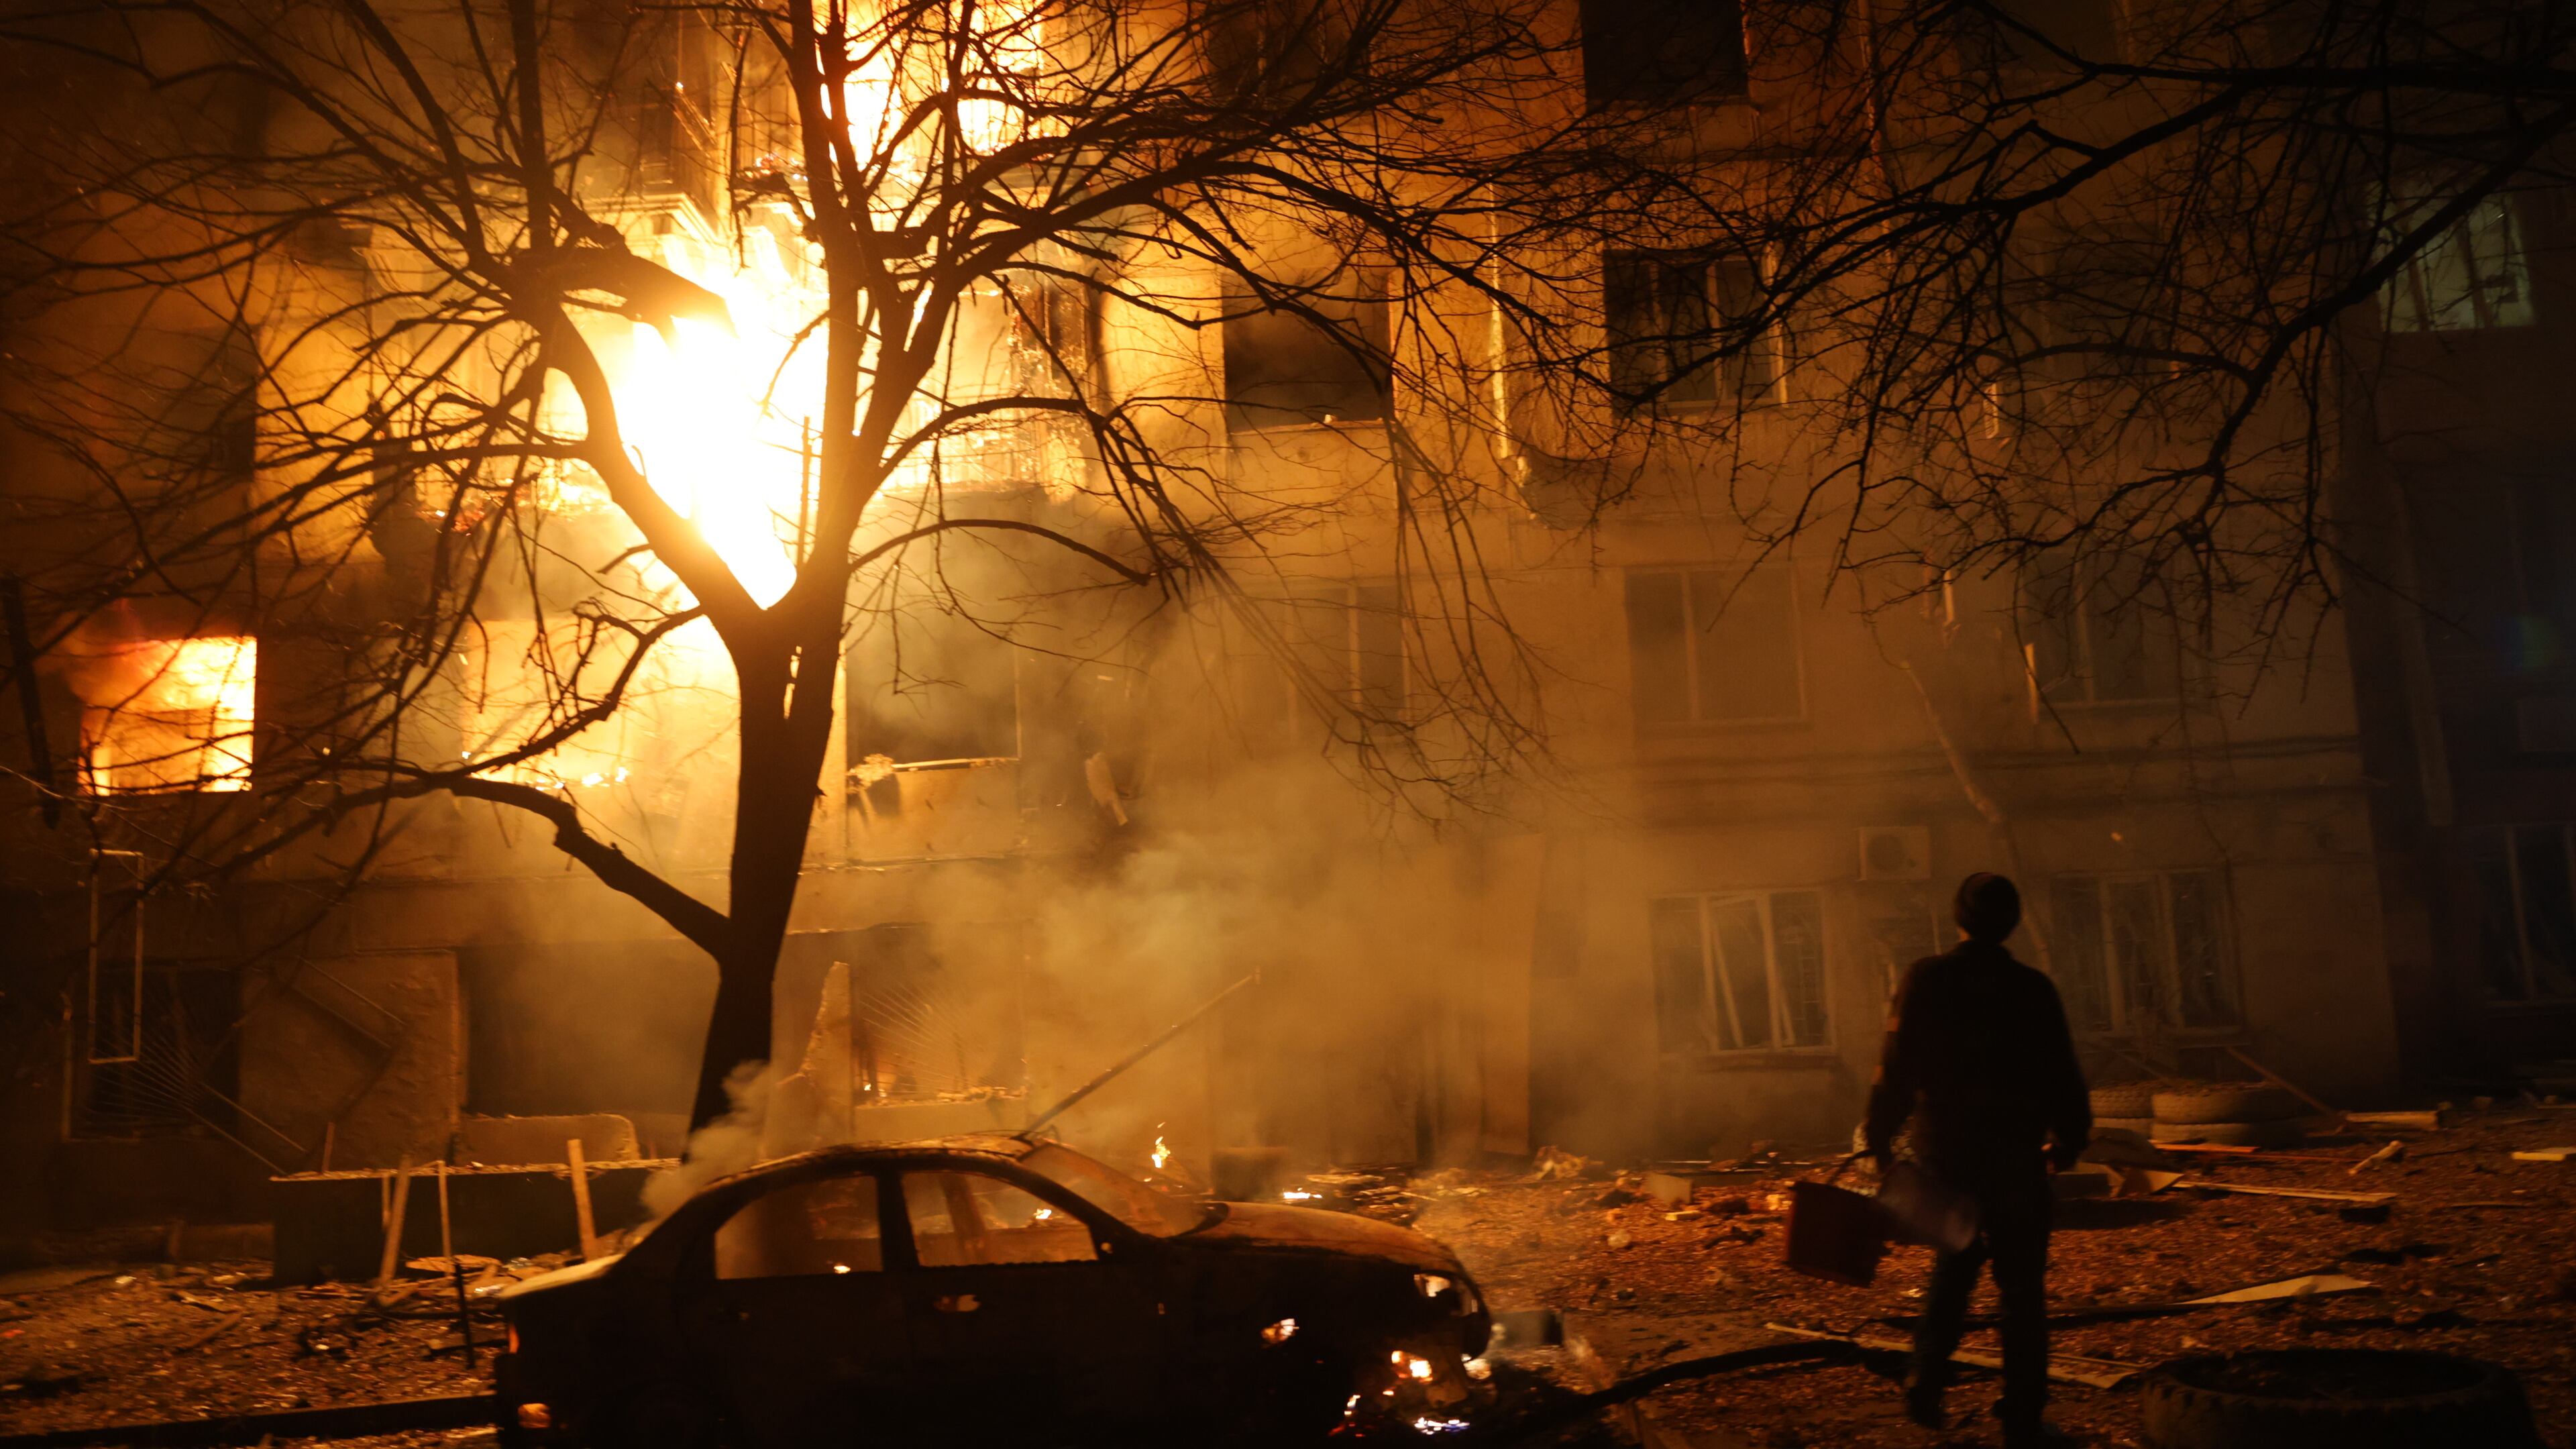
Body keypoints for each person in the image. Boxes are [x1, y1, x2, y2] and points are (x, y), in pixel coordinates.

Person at [1863, 872, 2090, 1449]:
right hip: (2015, 1157)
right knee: (2021, 1293)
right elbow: (2061, 1071)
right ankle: (2021, 1417)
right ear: (2011, 923)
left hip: (1947, 1154)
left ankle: (1925, 1380)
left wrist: (1880, 1137)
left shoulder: (1926, 980)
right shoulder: (2033, 990)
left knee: (1953, 1267)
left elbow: (1895, 1065)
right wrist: (2069, 1139)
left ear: (1957, 920)